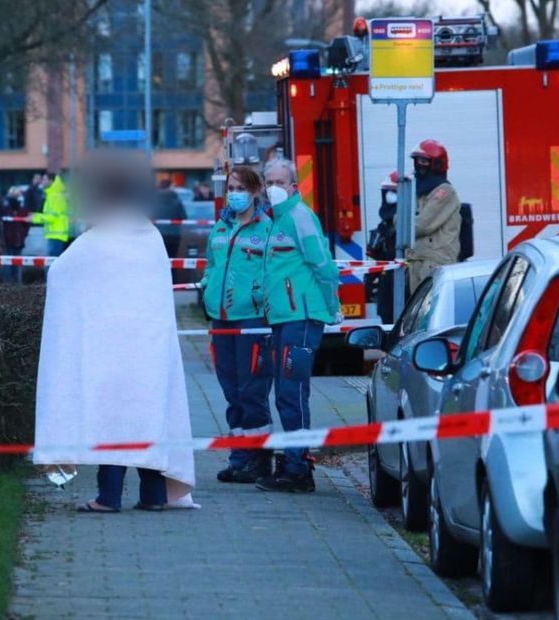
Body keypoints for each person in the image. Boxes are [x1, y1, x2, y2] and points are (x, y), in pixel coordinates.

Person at [32, 151, 196, 512]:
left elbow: (59, 275)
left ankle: (108, 497)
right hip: (149, 349)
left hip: (111, 350)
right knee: (148, 418)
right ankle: (153, 496)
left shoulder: (98, 240)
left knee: (114, 419)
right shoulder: (150, 237)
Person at [256, 157, 341, 493]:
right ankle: (293, 463)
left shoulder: (299, 217)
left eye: (280, 182)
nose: (273, 188)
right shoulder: (275, 220)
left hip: (302, 317)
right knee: (287, 394)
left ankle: (298, 469)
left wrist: (331, 306)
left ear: (293, 186)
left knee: (292, 394)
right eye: (269, 182)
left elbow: (323, 264)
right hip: (283, 318)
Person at [202, 166, 274, 484]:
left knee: (252, 392)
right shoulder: (220, 228)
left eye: (241, 187)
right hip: (221, 320)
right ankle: (239, 457)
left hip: (252, 319)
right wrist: (205, 287)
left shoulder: (267, 229)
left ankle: (260, 460)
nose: (235, 193)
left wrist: (262, 299)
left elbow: (274, 272)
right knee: (231, 392)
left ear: (256, 191)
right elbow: (211, 264)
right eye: (231, 187)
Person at [405, 139, 461, 293]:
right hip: (417, 259)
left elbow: (420, 225)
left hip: (435, 262)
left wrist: (403, 223)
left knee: (431, 311)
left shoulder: (445, 191)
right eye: (417, 161)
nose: (419, 165)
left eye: (424, 161)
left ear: (436, 163)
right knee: (417, 313)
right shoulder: (419, 191)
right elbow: (401, 219)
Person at [367, 171, 399, 324]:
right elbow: (375, 259)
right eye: (387, 193)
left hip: (401, 287)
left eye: (392, 193)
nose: (388, 197)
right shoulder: (384, 227)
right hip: (386, 289)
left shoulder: (408, 226)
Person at [30, 172, 71, 257]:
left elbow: (53, 217)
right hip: (55, 235)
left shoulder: (55, 196)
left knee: (51, 264)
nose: (42, 182)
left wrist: (35, 218)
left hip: (56, 235)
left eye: (45, 179)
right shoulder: (52, 195)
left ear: (51, 181)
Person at [0, 187, 30, 283]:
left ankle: (17, 288)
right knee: (8, 266)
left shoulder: (22, 209)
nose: (19, 197)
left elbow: (26, 224)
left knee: (17, 266)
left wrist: (23, 234)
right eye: (17, 195)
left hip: (19, 241)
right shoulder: (5, 208)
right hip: (8, 240)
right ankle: (8, 287)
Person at [154, 179, 188, 258]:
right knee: (173, 259)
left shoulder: (153, 200)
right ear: (169, 187)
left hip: (157, 234)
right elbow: (183, 216)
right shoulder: (176, 200)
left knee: (159, 259)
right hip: (173, 235)